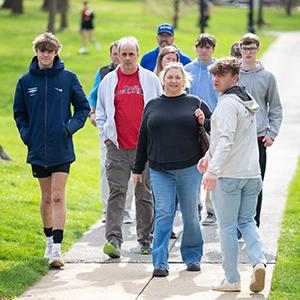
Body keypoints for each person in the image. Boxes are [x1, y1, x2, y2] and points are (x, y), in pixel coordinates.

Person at [13, 32, 90, 268]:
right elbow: (19, 113)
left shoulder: (68, 78)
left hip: (61, 148)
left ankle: (57, 249)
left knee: (58, 196)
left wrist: (68, 129)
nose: (46, 54)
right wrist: (28, 136)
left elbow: (83, 108)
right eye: (42, 50)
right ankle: (48, 242)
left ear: (56, 52)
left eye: (50, 50)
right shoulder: (25, 82)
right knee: (46, 198)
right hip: (37, 148)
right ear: (36, 52)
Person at [133, 62, 211, 277]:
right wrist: (137, 168)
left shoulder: (195, 103)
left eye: (178, 77)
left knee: (190, 215)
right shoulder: (152, 105)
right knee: (164, 214)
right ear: (163, 79)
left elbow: (214, 126)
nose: (174, 81)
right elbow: (143, 138)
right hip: (160, 170)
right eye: (170, 77)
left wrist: (203, 121)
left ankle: (193, 257)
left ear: (184, 80)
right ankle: (160, 262)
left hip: (189, 168)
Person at [198, 57, 266, 292]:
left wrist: (213, 171)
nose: (216, 79)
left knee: (226, 227)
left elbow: (226, 140)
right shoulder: (246, 101)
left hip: (229, 176)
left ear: (235, 78)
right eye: (214, 75)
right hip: (252, 175)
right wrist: (207, 157)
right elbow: (228, 139)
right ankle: (259, 262)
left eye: (222, 75)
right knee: (247, 221)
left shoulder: (227, 104)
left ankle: (232, 279)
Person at [96, 36, 163, 258]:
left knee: (144, 195)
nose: (126, 58)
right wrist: (107, 137)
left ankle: (145, 240)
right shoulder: (109, 81)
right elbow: (101, 111)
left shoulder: (150, 79)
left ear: (137, 54)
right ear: (117, 55)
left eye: (130, 54)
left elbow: (160, 107)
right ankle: (113, 241)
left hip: (144, 148)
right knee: (117, 193)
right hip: (117, 147)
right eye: (122, 54)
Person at [238, 33, 282, 228]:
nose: (248, 52)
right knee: (235, 183)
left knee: (256, 184)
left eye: (252, 48)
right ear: (240, 49)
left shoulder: (267, 76)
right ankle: (237, 224)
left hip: (258, 138)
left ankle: (253, 224)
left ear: (257, 49)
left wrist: (272, 134)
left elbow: (275, 107)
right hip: (236, 138)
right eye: (245, 48)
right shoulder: (232, 74)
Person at [88, 41, 134, 224]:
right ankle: (107, 210)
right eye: (115, 53)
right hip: (109, 132)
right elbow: (93, 95)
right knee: (105, 169)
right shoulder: (103, 73)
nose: (119, 57)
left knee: (130, 172)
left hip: (129, 133)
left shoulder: (136, 75)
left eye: (121, 53)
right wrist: (93, 113)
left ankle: (126, 210)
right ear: (112, 55)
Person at [184, 32, 218, 226]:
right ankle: (195, 205)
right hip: (193, 124)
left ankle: (211, 208)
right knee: (194, 167)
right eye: (201, 46)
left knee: (213, 165)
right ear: (196, 48)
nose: (204, 50)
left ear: (213, 49)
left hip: (215, 123)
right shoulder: (188, 70)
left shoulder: (218, 68)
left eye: (208, 47)